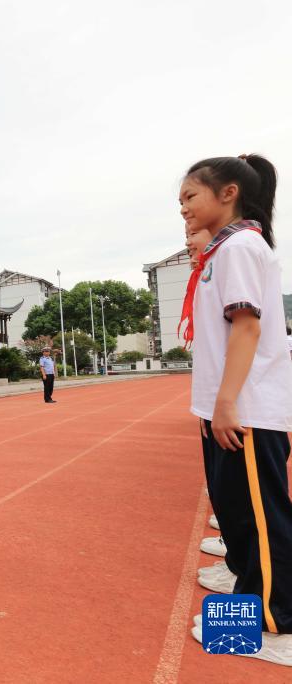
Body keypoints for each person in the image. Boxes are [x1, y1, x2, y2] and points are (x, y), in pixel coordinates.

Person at [179, 154, 292, 663]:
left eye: (190, 196)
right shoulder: (224, 249)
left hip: (244, 409)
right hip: (224, 409)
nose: (183, 208)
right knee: (240, 517)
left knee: (263, 520)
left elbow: (246, 327)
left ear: (228, 193)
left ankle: (278, 627)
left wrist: (227, 403)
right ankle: (250, 609)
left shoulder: (241, 247)